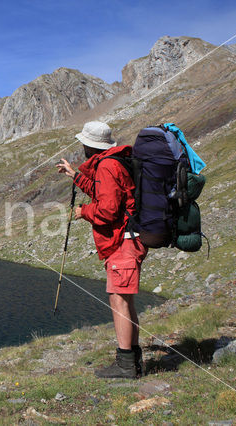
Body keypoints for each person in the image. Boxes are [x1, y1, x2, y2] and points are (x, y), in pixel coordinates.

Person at [56, 121, 148, 379]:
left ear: (90, 146)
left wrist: (82, 211)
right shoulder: (113, 162)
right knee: (125, 301)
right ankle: (134, 361)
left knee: (118, 300)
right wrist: (74, 174)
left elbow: (107, 211)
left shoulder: (107, 166)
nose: (82, 146)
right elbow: (102, 192)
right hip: (129, 240)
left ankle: (125, 366)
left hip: (123, 242)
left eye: (84, 143)